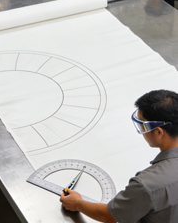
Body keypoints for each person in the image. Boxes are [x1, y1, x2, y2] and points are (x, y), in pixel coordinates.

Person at [60, 89, 178, 222]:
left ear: (158, 132)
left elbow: (110, 215)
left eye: (142, 127)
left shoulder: (148, 184)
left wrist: (77, 203)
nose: (142, 133)